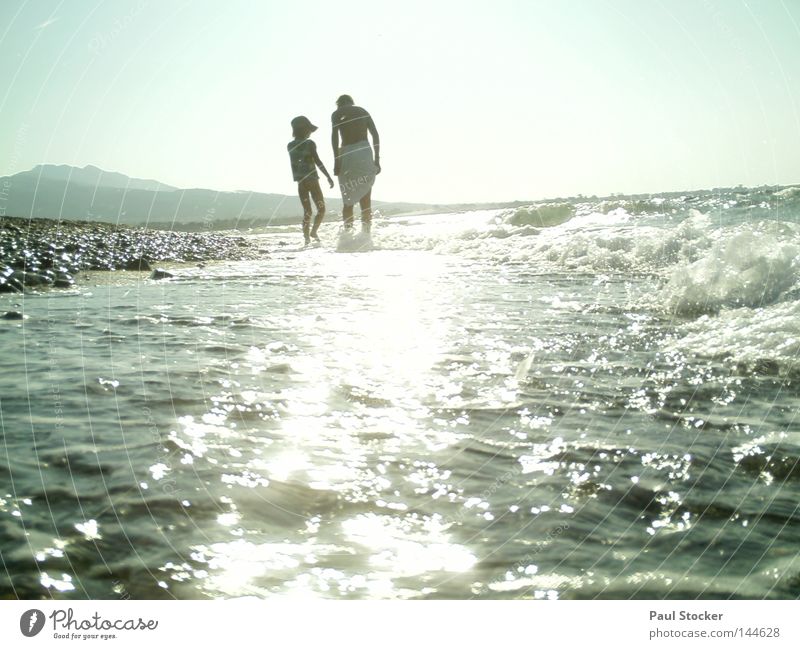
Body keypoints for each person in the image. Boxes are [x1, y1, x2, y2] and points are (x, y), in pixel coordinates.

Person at [330, 95, 381, 233]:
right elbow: (375, 135)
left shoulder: (337, 113)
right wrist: (377, 159)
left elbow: (334, 138)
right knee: (366, 199)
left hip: (347, 154)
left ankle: (347, 235)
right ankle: (366, 235)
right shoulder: (363, 111)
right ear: (351, 102)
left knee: (348, 200)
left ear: (339, 104)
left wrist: (336, 161)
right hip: (364, 152)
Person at [287, 115, 334, 245]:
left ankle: (306, 239)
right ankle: (313, 232)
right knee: (322, 209)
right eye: (309, 130)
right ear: (305, 130)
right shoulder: (310, 143)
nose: (310, 133)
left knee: (307, 211)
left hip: (301, 183)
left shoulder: (290, 145)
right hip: (312, 180)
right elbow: (317, 161)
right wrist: (328, 176)